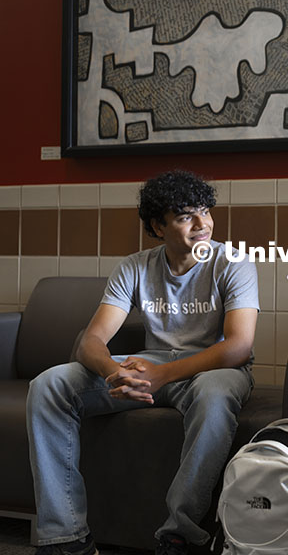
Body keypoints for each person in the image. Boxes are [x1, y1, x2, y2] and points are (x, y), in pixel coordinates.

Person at [26, 171, 259, 555]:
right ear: (158, 225)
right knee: (49, 385)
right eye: (186, 216)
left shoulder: (233, 262)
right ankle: (66, 537)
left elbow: (238, 346)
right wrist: (114, 372)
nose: (202, 224)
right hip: (147, 367)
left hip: (212, 368)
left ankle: (180, 534)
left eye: (206, 211)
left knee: (214, 397)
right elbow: (92, 339)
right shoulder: (135, 266)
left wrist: (160, 375)